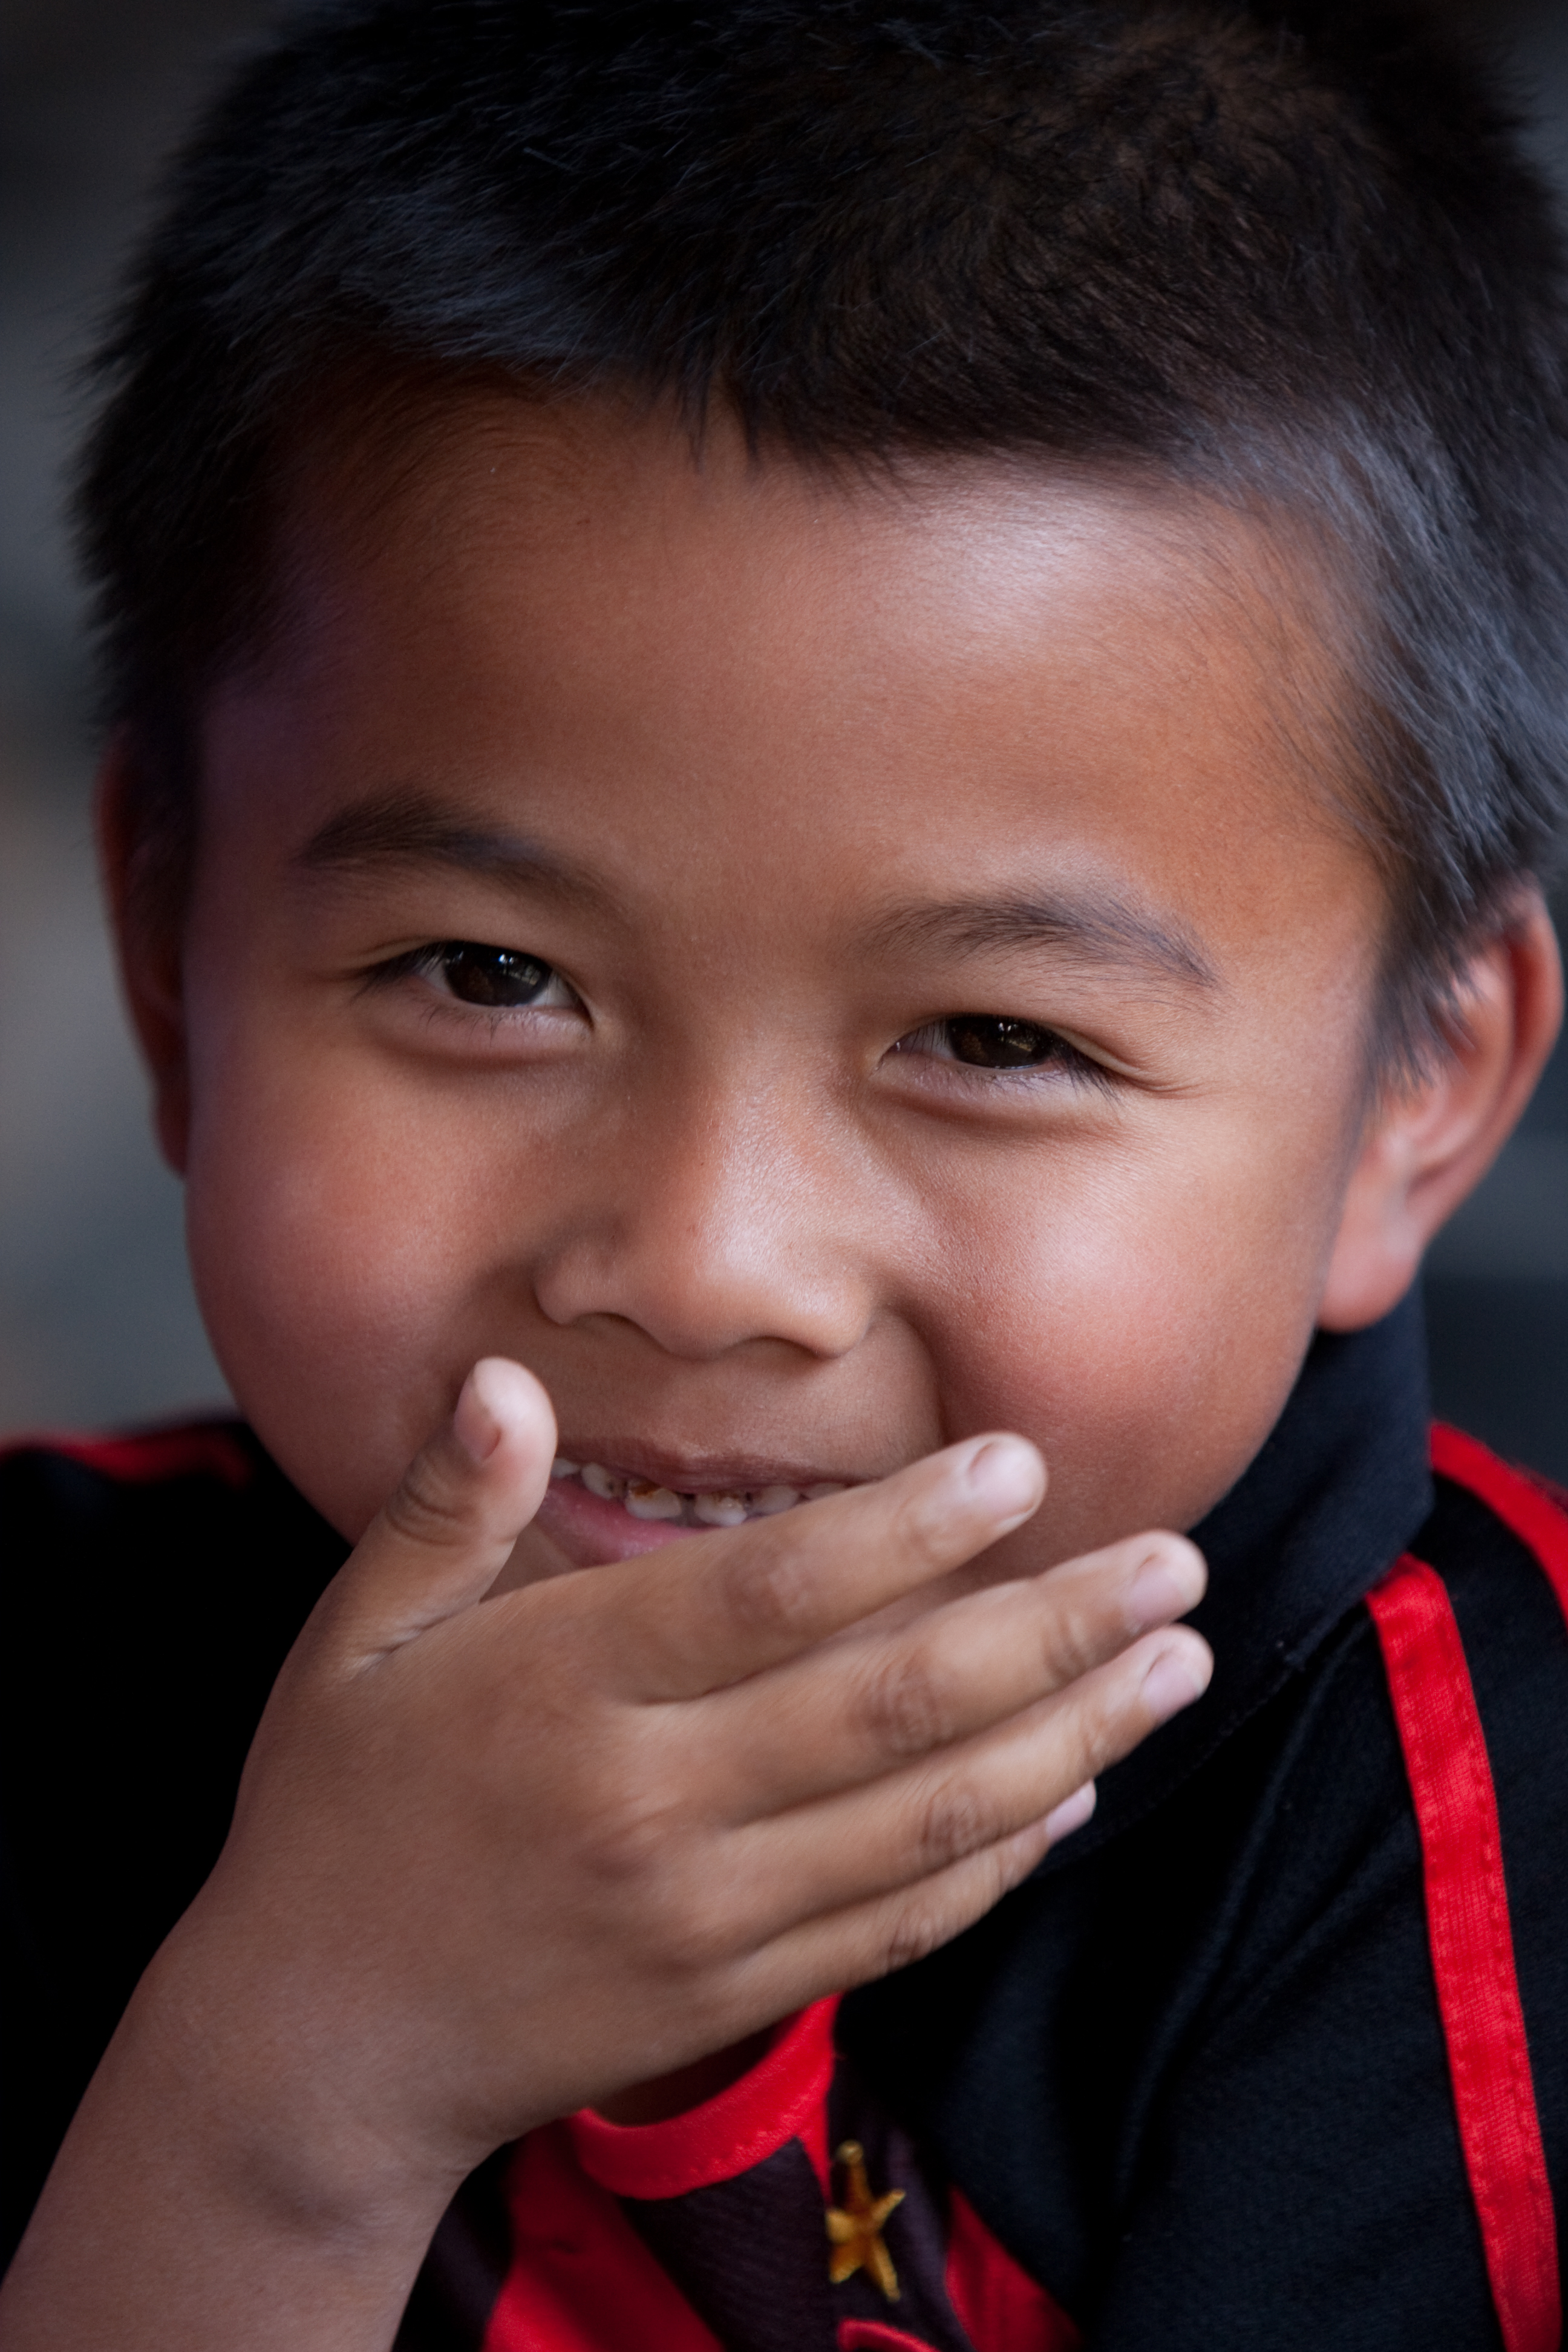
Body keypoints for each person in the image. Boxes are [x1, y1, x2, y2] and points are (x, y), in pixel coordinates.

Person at [3, 1, 1567, 2344]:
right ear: (168, 953)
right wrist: (289, 2102)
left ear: (1417, 1090)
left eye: (996, 1037)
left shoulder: (1469, 1849)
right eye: (490, 977)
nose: (711, 1268)